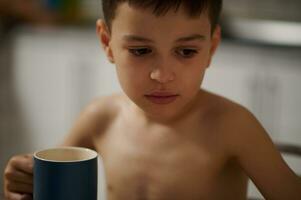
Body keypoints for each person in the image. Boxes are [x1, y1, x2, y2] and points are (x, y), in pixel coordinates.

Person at [3, 0, 301, 199]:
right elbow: (48, 186)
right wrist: (24, 185)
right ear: (107, 43)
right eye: (141, 51)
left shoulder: (232, 127)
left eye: (186, 52)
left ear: (211, 48)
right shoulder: (100, 118)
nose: (162, 74)